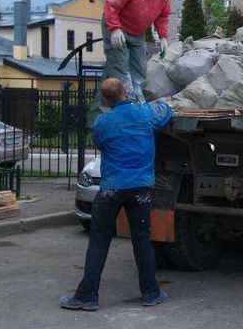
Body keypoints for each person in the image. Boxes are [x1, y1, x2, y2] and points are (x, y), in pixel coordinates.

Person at [60, 78, 172, 311]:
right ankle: (151, 293)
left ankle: (87, 297)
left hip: (111, 189)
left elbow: (101, 144)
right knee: (142, 240)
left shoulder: (102, 123)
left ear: (104, 99)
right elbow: (165, 113)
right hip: (140, 188)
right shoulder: (144, 114)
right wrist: (164, 103)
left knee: (99, 241)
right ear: (125, 92)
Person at [99, 0, 173, 106]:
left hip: (137, 32)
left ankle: (137, 98)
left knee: (139, 68)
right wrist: (114, 28)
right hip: (117, 26)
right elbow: (112, 4)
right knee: (121, 66)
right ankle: (127, 103)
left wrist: (163, 36)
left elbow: (163, 15)